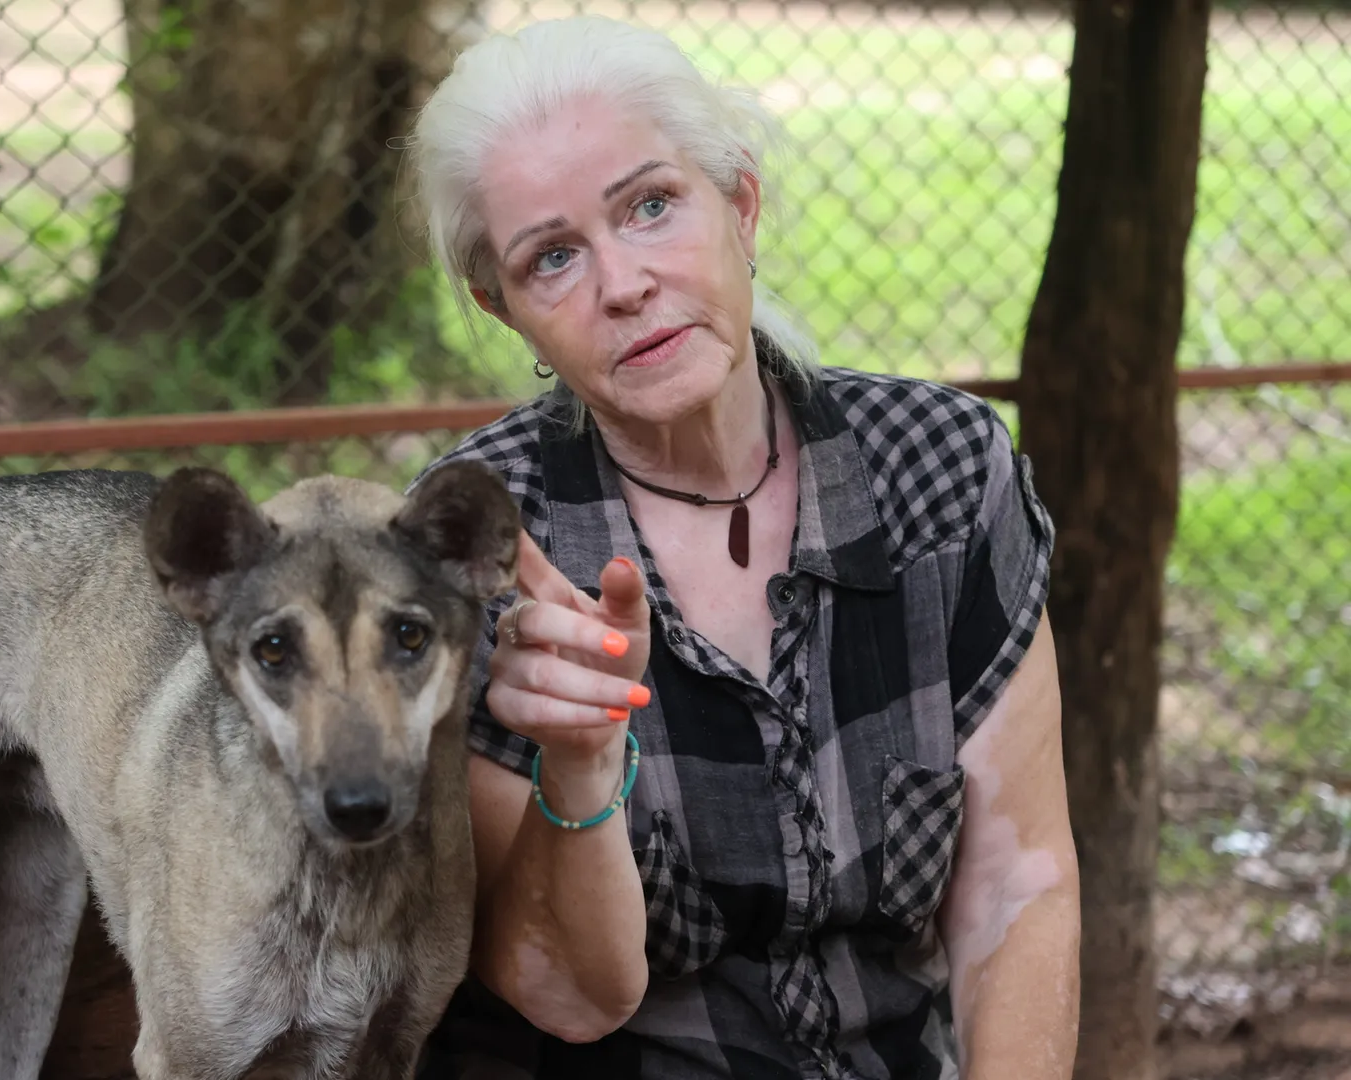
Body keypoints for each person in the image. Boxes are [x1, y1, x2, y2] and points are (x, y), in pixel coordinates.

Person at [401, 15, 1081, 1079]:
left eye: (653, 206)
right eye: (554, 258)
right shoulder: (479, 542)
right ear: (504, 311)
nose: (622, 283)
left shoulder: (941, 474)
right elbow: (569, 996)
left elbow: (1016, 893)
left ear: (742, 204)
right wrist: (580, 762)